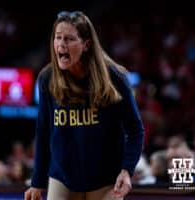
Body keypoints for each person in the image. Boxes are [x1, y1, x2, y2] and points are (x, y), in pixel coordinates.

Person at [24, 11, 144, 200]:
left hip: (105, 178)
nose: (61, 44)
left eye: (69, 39)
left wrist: (127, 170)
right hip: (63, 177)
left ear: (86, 44)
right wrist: (37, 182)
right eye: (58, 38)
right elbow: (43, 132)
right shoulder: (47, 78)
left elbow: (136, 130)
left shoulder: (115, 77)